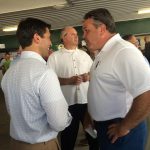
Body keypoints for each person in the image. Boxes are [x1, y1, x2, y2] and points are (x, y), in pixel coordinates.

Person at [83, 8, 150, 150]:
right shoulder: (103, 53)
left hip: (122, 130)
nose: (83, 35)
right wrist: (91, 114)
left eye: (86, 30)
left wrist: (124, 127)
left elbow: (147, 94)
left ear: (101, 29)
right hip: (105, 127)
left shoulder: (123, 52)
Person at [1, 18, 72, 150]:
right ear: (37, 38)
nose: (50, 42)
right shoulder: (44, 73)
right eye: (48, 37)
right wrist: (67, 115)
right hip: (41, 145)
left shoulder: (10, 73)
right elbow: (59, 123)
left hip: (15, 144)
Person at [47, 26, 99, 150]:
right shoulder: (54, 57)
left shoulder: (84, 55)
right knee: (68, 138)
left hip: (87, 103)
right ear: (63, 38)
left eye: (76, 34)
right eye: (72, 34)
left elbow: (95, 74)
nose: (77, 36)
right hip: (67, 104)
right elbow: (49, 81)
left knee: (93, 136)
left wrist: (88, 76)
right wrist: (68, 80)